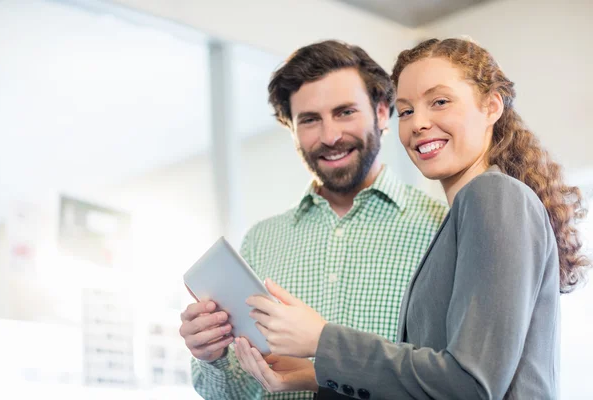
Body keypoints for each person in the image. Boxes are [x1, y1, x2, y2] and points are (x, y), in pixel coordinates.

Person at [235, 37, 591, 399]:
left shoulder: (492, 195)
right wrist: (316, 374)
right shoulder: (468, 211)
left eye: (439, 102)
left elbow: (471, 384)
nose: (419, 123)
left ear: (491, 106)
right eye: (406, 111)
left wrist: (322, 339)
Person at [178, 40, 448, 400]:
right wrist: (212, 357)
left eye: (345, 112)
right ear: (290, 128)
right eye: (309, 120)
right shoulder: (262, 241)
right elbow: (236, 393)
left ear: (382, 112)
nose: (330, 136)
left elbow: (450, 380)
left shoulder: (441, 229)